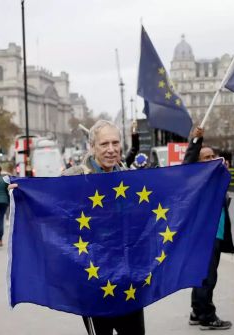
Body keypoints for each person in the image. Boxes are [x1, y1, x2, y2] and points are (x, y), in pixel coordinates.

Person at [60, 120, 145, 335]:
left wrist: (208, 173)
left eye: (115, 142)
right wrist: (22, 192)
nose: (111, 149)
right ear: (92, 147)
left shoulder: (131, 178)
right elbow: (46, 202)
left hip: (128, 279)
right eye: (104, 144)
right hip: (93, 278)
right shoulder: (74, 178)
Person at [183, 127, 234, 331]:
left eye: (213, 156)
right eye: (205, 157)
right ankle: (207, 316)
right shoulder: (194, 179)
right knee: (207, 277)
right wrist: (196, 141)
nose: (211, 159)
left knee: (202, 275)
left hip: (216, 233)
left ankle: (197, 311)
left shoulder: (216, 178)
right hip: (204, 235)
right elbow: (187, 165)